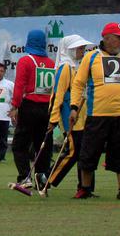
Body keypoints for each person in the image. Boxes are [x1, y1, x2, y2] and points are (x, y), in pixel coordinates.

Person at [71, 22, 120, 200]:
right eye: (118, 37)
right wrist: (74, 107)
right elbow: (78, 83)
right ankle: (85, 188)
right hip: (97, 114)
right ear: (107, 38)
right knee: (89, 152)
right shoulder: (92, 57)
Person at [45, 35, 93, 195]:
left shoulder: (78, 67)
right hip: (69, 117)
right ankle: (47, 178)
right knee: (73, 151)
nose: (82, 51)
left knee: (85, 152)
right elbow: (57, 95)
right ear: (70, 50)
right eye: (79, 48)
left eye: (83, 48)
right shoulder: (65, 68)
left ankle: (85, 187)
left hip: (83, 117)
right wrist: (52, 119)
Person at [10, 28, 55, 190]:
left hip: (29, 105)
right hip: (46, 108)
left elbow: (19, 86)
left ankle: (24, 177)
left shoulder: (25, 61)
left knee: (19, 145)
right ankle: (41, 180)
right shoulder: (51, 63)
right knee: (42, 145)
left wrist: (15, 106)